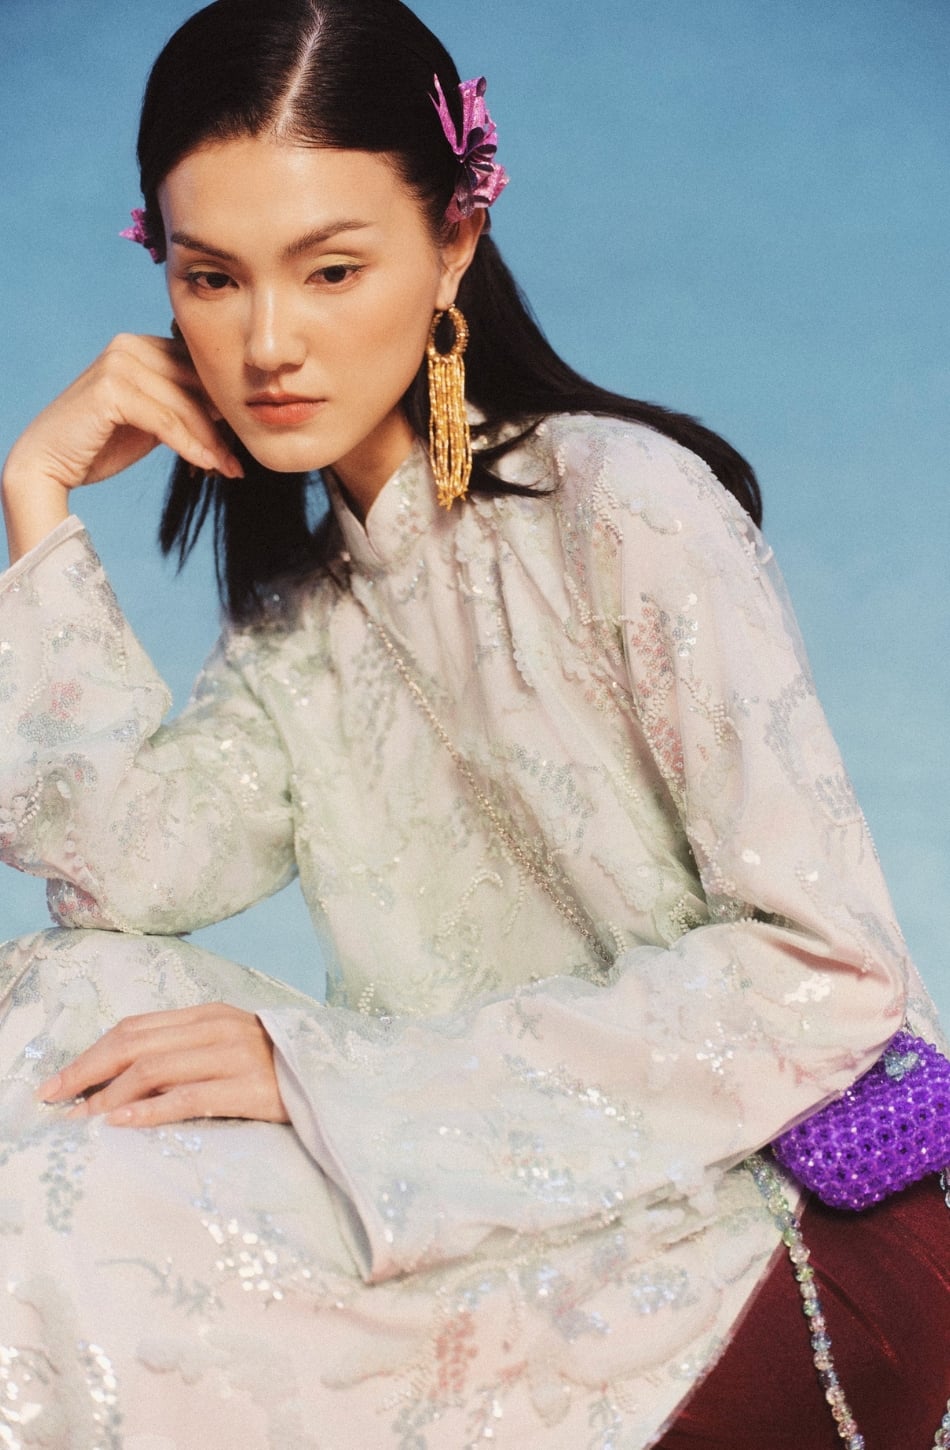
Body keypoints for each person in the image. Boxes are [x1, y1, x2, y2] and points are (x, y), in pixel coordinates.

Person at [1, 1, 947, 1445]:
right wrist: (37, 497)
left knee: (68, 1228)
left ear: (452, 242)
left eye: (331, 269)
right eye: (212, 278)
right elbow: (114, 876)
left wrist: (329, 1077)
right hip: (478, 1194)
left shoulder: (618, 503)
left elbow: (828, 975)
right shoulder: (298, 626)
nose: (267, 343)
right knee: (62, 1009)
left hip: (773, 1216)